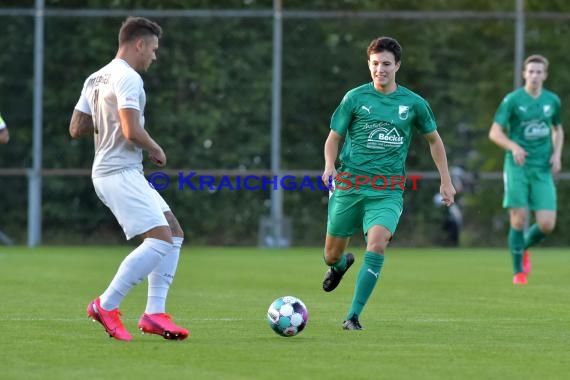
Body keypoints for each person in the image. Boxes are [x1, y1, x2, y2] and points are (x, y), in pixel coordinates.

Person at [321, 36, 456, 330]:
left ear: (397, 66)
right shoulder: (355, 98)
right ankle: (341, 265)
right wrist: (330, 165)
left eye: (386, 64)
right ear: (369, 65)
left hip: (387, 192)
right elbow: (334, 137)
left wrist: (446, 180)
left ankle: (353, 316)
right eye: (375, 64)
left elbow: (434, 141)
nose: (380, 69)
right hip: (348, 186)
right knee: (330, 254)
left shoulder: (414, 103)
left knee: (377, 244)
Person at [69, 16, 188, 341]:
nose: (154, 55)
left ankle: (154, 314)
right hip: (118, 172)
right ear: (139, 44)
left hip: (117, 170)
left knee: (174, 234)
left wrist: (104, 122)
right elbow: (130, 130)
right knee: (160, 240)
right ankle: (106, 305)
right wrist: (155, 147)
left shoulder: (96, 77)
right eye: (153, 49)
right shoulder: (128, 78)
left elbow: (76, 128)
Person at [489, 54, 564, 285]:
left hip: (542, 168)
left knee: (547, 224)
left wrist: (557, 154)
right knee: (519, 220)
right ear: (524, 74)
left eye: (539, 72)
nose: (534, 75)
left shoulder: (552, 101)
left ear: (545, 75)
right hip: (517, 167)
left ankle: (524, 248)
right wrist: (513, 146)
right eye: (530, 71)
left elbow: (557, 129)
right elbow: (495, 132)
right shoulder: (512, 100)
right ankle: (518, 272)